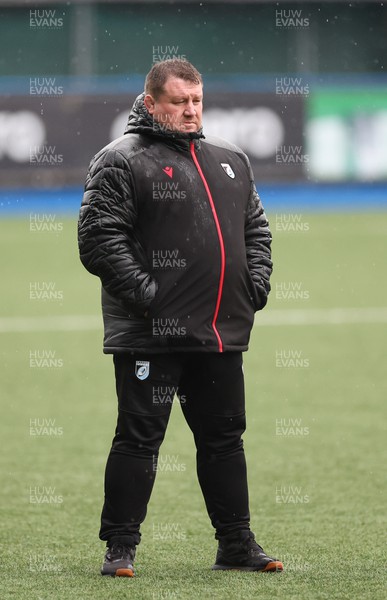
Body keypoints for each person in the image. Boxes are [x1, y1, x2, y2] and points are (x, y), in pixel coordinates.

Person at [78, 58, 282, 576]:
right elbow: (99, 239)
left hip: (219, 332)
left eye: (197, 101)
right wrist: (151, 299)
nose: (191, 111)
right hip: (153, 335)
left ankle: (236, 544)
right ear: (151, 103)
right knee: (140, 439)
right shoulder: (121, 159)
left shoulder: (229, 159)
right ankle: (119, 549)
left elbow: (256, 229)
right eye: (179, 102)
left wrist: (252, 287)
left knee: (225, 438)